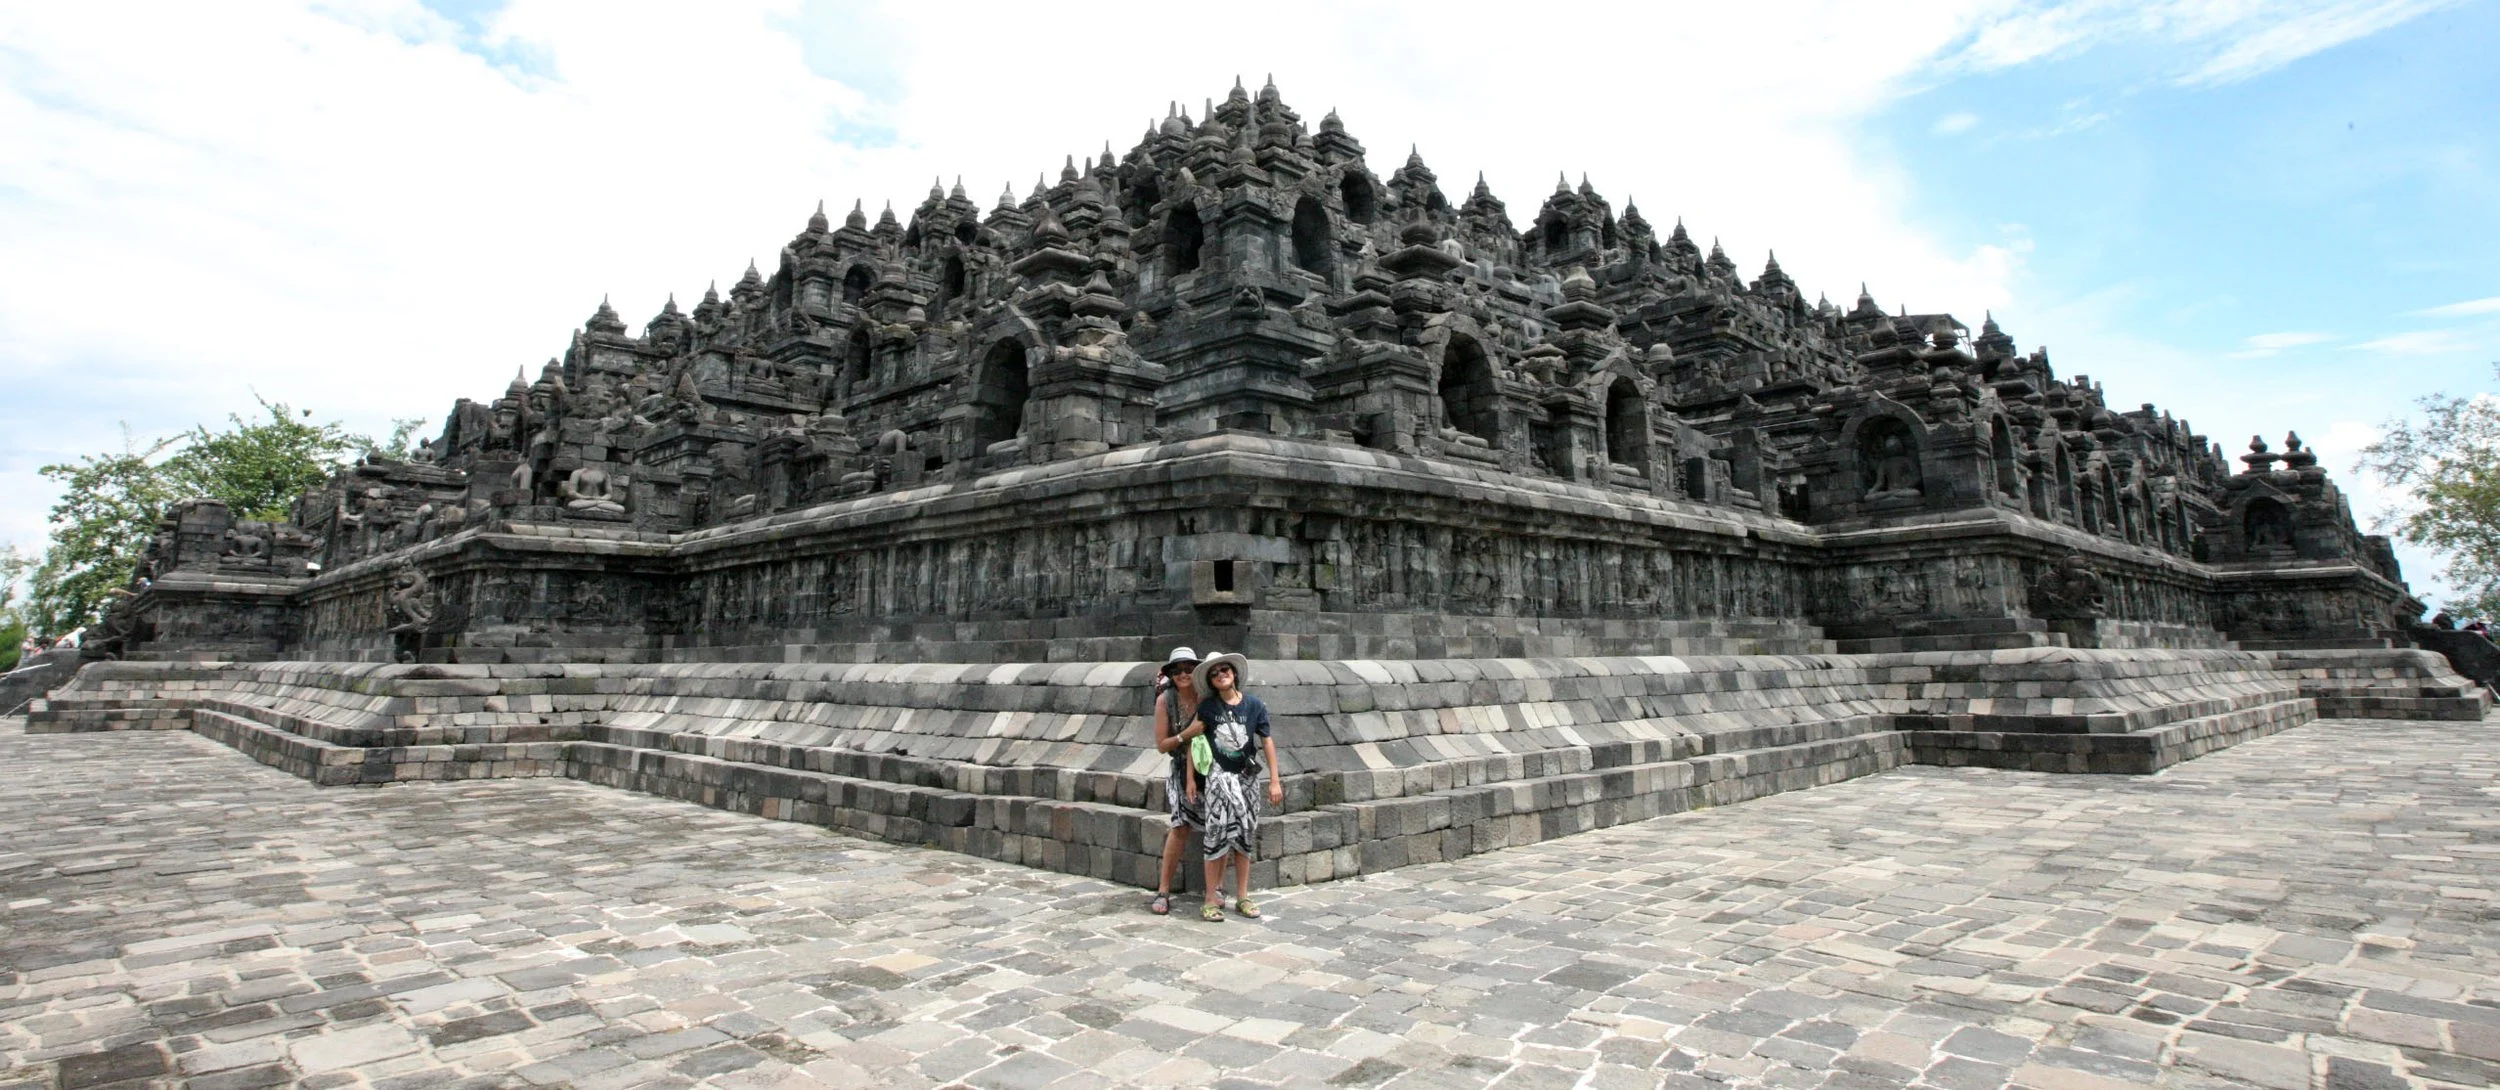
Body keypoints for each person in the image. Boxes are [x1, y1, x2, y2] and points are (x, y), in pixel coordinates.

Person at [1186, 652, 1282, 922]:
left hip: (1247, 779)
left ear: (1234, 673)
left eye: (1224, 670)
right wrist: (1191, 778)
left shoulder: (1254, 706)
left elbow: (1267, 742)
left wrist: (1275, 780)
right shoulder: (1208, 708)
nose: (1220, 675)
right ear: (1212, 681)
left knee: (1244, 837)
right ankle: (1210, 899)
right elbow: (1196, 742)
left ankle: (1243, 895)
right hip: (1219, 778)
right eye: (1214, 674)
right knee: (1215, 835)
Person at [1146, 646, 1203, 915]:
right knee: (1179, 826)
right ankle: (1163, 890)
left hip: (1210, 767)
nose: (1184, 674)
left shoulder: (1206, 696)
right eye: (1178, 670)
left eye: (1189, 669)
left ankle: (1215, 889)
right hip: (1180, 767)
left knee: (1220, 826)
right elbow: (1162, 745)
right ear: (1170, 674)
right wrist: (1186, 734)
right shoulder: (1165, 700)